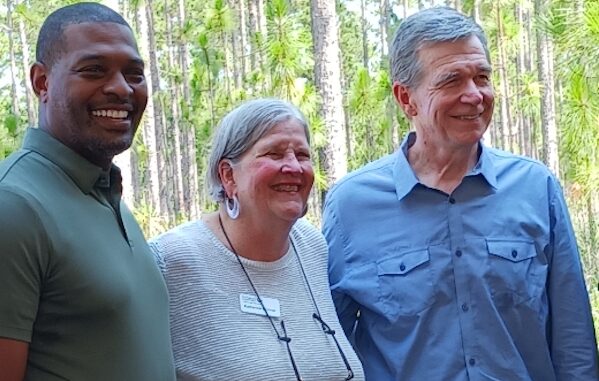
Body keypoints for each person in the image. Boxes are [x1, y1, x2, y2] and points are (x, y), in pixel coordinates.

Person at [323, 6, 598, 381]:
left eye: (481, 77)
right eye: (451, 80)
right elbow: (330, 348)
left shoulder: (535, 188)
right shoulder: (351, 205)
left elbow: (573, 341)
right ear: (407, 98)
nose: (474, 95)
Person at [0, 3, 175, 380]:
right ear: (41, 82)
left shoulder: (106, 196)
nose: (121, 88)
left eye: (134, 73)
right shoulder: (13, 206)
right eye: (94, 70)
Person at [150, 98, 364, 381]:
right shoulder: (171, 260)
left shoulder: (311, 246)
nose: (294, 167)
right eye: (274, 154)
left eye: (302, 155)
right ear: (228, 176)